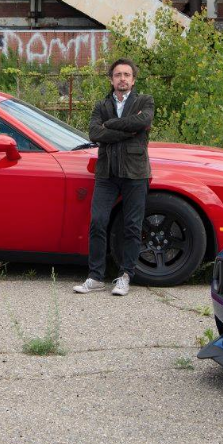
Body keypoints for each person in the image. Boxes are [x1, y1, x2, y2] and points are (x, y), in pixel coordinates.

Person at [74, 58, 154, 297]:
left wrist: (112, 126)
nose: (122, 79)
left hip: (135, 173)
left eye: (127, 75)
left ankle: (126, 275)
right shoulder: (101, 105)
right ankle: (95, 277)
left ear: (133, 79)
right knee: (98, 222)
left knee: (132, 226)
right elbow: (95, 132)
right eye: (118, 75)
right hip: (106, 173)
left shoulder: (144, 101)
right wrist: (127, 130)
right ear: (111, 79)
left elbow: (144, 121)